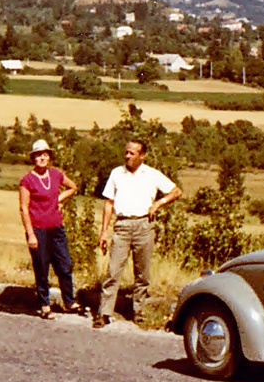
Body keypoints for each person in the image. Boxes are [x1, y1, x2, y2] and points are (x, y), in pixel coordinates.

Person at [95, 139, 181, 328]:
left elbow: (176, 191)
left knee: (142, 273)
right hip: (122, 226)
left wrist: (159, 203)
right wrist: (103, 232)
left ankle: (138, 310)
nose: (127, 156)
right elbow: (108, 203)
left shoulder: (151, 174)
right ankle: (104, 312)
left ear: (142, 155)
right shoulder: (117, 174)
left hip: (144, 225)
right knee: (113, 270)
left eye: (132, 153)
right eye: (126, 152)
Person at [19, 138, 81, 319]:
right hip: (38, 229)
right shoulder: (27, 180)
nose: (42, 158)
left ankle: (69, 302)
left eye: (44, 154)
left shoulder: (56, 174)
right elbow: (24, 208)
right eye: (38, 155)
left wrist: (58, 200)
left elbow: (73, 187)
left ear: (49, 157)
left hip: (56, 228)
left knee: (65, 265)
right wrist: (30, 234)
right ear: (33, 158)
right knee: (42, 267)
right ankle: (44, 304)